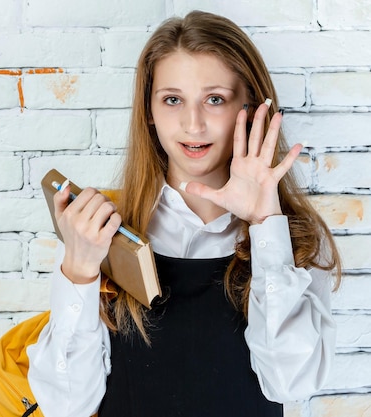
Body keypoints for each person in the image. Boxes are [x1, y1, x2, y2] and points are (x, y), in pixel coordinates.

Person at [26, 10, 341, 417]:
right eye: (173, 99)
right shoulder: (101, 230)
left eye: (215, 99)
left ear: (249, 107)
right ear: (150, 111)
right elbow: (65, 406)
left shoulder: (292, 238)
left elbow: (290, 384)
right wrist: (80, 269)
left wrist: (265, 225)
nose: (193, 124)